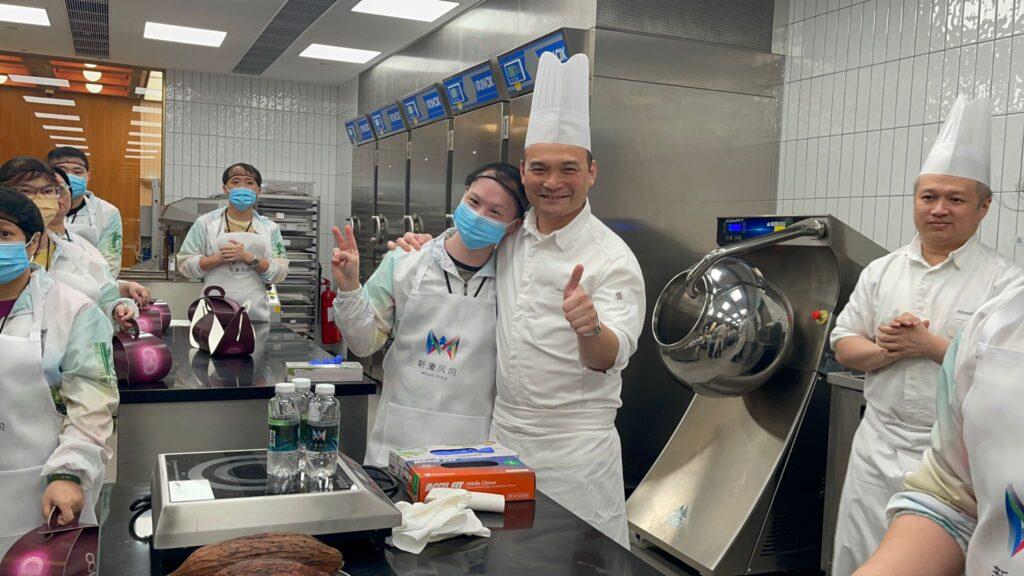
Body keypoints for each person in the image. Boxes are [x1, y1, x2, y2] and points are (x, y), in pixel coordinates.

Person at [389, 52, 646, 547]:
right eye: (540, 169)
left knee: (576, 558)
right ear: (524, 171)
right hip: (501, 439)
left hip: (575, 451)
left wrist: (589, 327)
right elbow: (457, 251)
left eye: (568, 169)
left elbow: (608, 358)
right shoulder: (509, 235)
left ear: (591, 172)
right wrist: (419, 245)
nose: (553, 183)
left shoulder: (612, 258)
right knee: (502, 556)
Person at [829, 95, 1024, 575]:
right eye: (928, 197)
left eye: (955, 199)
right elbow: (842, 343)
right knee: (858, 556)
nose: (939, 209)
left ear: (983, 208)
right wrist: (886, 350)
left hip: (956, 465)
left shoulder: (1005, 283)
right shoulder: (881, 270)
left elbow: (998, 374)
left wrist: (930, 346)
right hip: (876, 445)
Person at [331, 163, 527, 466]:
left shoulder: (512, 279)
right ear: (461, 199)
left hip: (475, 441)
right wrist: (348, 287)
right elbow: (363, 344)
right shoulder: (406, 261)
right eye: (474, 202)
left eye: (495, 212)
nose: (478, 215)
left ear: (512, 226)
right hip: (400, 434)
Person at [854, 278, 1024, 575]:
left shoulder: (997, 277)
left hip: (922, 437)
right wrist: (890, 349)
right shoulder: (996, 320)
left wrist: (926, 345)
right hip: (883, 439)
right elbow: (953, 496)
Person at [0, 186, 118, 557]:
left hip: (42, 483)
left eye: (3, 234)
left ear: (32, 242)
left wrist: (69, 472)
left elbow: (93, 399)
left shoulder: (73, 310)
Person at [0, 157, 137, 331]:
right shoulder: (7, 257)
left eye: (48, 191)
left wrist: (116, 309)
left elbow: (104, 298)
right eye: (26, 190)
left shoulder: (78, 253)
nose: (39, 199)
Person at [176, 163, 288, 322]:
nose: (242, 187)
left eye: (249, 183)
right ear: (225, 189)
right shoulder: (205, 223)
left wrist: (250, 258)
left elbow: (281, 271)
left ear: (258, 191)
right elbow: (185, 265)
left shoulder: (270, 228)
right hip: (213, 310)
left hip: (255, 313)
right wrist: (218, 258)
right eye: (235, 182)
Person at [47, 147, 123, 278]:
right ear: (47, 175)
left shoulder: (107, 213)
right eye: (61, 171)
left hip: (91, 291)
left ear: (87, 177)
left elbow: (110, 265)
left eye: (77, 172)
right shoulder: (37, 207)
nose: (69, 178)